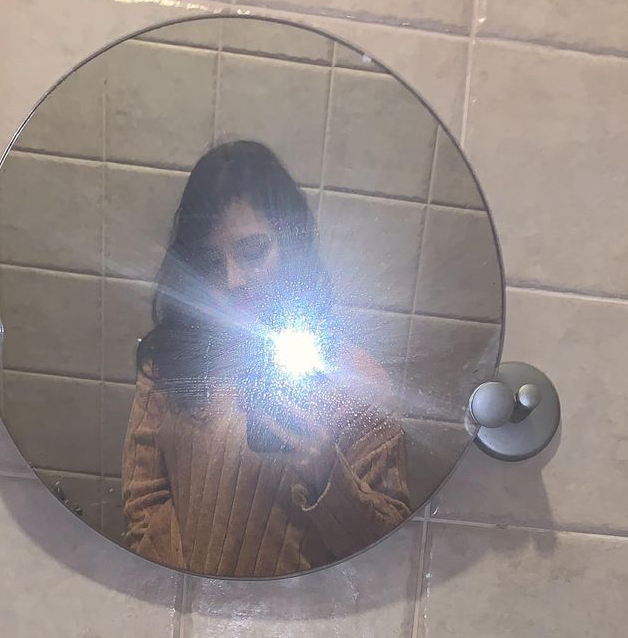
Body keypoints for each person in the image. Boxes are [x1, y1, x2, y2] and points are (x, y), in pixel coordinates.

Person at [122, 140, 412, 577]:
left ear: (291, 246)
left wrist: (324, 473)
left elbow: (388, 553)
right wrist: (193, 598)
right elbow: (144, 504)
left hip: (302, 620)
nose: (233, 280)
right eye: (212, 261)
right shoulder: (172, 362)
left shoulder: (355, 380)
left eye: (253, 251)